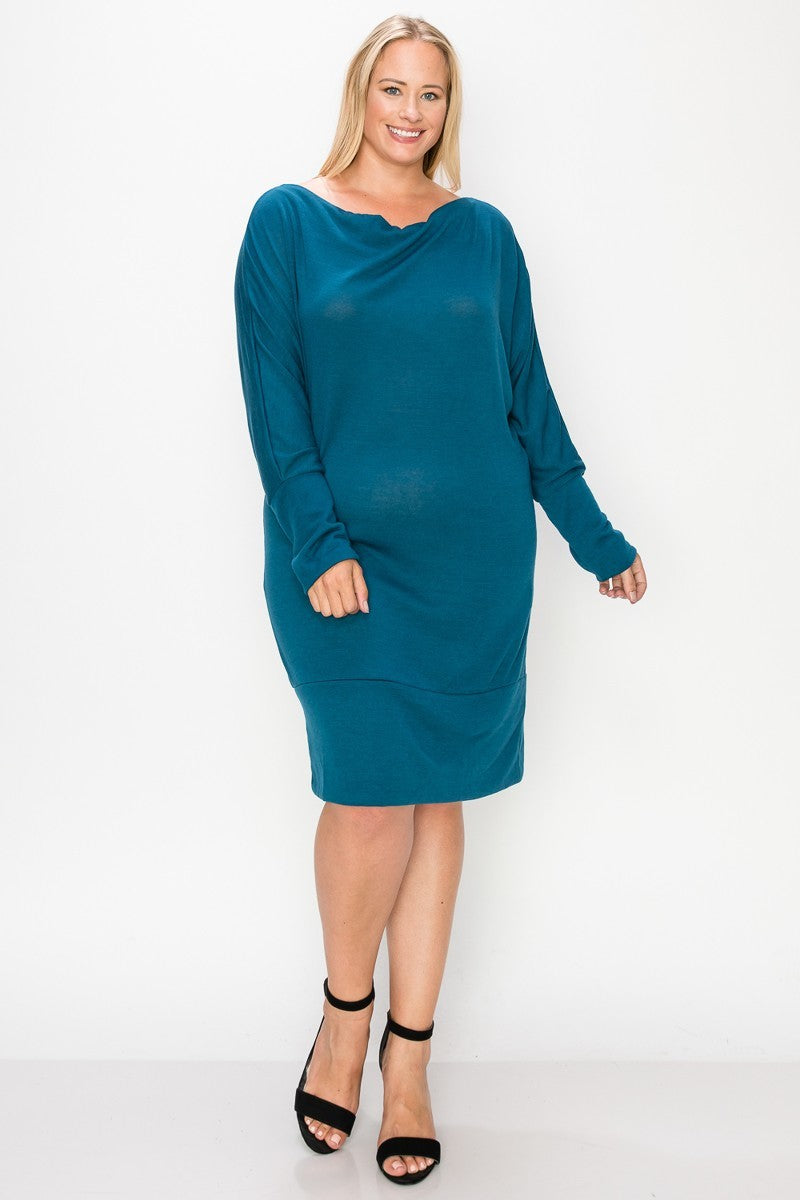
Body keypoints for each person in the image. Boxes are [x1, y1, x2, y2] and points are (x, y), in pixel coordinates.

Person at [233, 13, 647, 1187]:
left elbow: (527, 400)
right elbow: (274, 402)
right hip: (340, 566)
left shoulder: (482, 235)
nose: (410, 112)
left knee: (435, 801)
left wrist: (593, 536)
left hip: (473, 569)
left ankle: (407, 1067)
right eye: (392, 89)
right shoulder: (286, 223)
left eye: (430, 94)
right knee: (368, 799)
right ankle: (343, 1021)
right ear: (358, 95)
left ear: (446, 109)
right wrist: (317, 542)